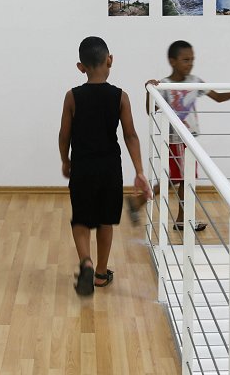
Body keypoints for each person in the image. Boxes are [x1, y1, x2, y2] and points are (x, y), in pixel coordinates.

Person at [59, 36, 152, 296]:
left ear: (81, 67)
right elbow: (130, 135)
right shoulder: (120, 97)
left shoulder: (72, 97)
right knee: (104, 221)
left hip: (82, 167)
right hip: (110, 168)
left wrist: (65, 160)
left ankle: (85, 261)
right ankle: (100, 273)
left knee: (81, 219)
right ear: (110, 60)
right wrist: (139, 172)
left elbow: (64, 135)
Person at [128, 40, 230, 231]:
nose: (190, 64)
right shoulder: (164, 85)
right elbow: (150, 110)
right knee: (177, 180)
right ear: (172, 61)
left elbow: (217, 97)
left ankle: (181, 219)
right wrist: (149, 89)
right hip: (176, 141)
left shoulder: (195, 82)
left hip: (189, 141)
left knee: (181, 180)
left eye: (192, 60)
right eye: (185, 60)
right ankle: (140, 203)